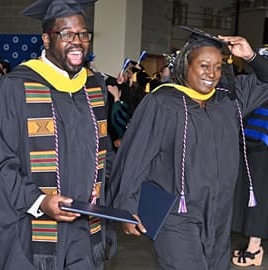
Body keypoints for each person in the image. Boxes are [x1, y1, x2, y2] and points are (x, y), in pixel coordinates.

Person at [106, 26, 268, 270]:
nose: (212, 74)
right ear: (185, 65)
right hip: (176, 214)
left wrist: (251, 57)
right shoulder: (164, 102)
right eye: (204, 65)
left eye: (217, 67)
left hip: (219, 212)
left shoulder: (228, 100)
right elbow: (136, 157)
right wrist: (127, 206)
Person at [0, 0, 113, 269]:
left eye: (83, 34)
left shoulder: (94, 88)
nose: (78, 41)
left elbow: (105, 155)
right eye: (67, 34)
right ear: (47, 39)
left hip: (85, 231)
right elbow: (1, 159)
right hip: (31, 232)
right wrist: (39, 201)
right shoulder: (15, 87)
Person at [231, 102, 268, 267]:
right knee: (254, 186)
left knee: (259, 188)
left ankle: (255, 249)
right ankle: (254, 244)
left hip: (262, 139)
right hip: (256, 132)